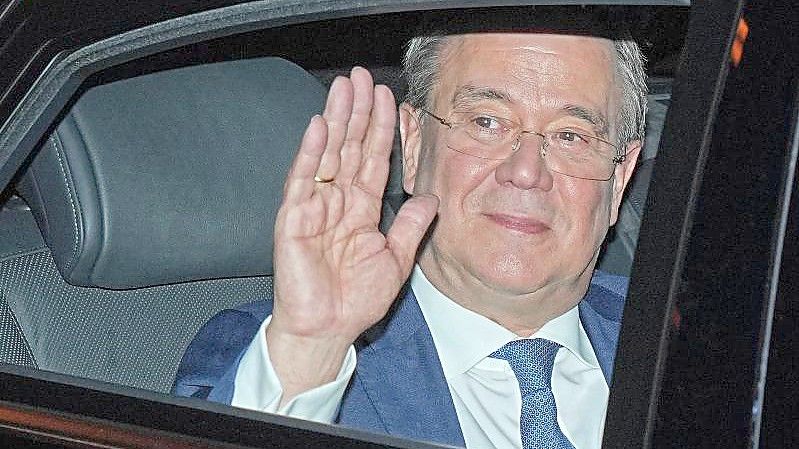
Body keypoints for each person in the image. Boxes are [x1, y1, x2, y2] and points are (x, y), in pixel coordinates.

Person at [174, 20, 647, 449]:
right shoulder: (289, 357)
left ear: (621, 175)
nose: (526, 172)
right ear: (415, 144)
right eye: (486, 123)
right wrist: (313, 348)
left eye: (571, 136)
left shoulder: (678, 339)